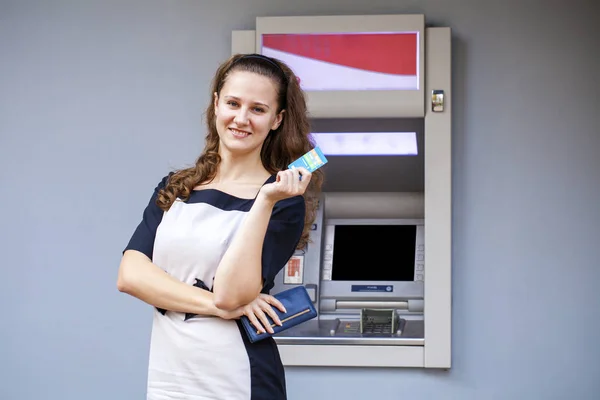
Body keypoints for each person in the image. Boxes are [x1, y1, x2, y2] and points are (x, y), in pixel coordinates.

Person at [117, 53, 323, 400]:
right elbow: (131, 275)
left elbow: (232, 292)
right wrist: (217, 306)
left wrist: (265, 200)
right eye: (233, 103)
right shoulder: (177, 186)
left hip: (237, 376)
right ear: (216, 104)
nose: (241, 119)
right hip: (170, 375)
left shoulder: (282, 202)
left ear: (277, 119)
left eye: (258, 109)